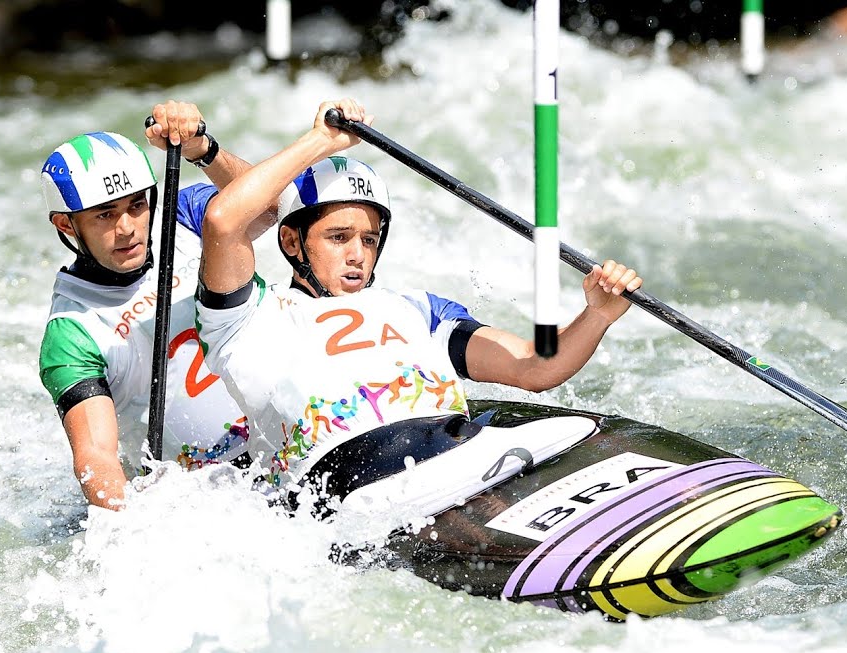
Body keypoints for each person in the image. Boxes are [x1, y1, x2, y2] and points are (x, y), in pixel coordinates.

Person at [194, 98, 643, 507]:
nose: (357, 254)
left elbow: (534, 367)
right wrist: (321, 143)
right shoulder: (247, 319)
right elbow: (224, 218)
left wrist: (597, 315)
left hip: (453, 454)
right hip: (342, 484)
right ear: (291, 241)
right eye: (338, 237)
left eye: (369, 239)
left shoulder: (418, 309)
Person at [37, 101, 261, 511]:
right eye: (105, 215)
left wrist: (202, 150)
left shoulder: (190, 216)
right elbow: (96, 457)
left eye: (136, 206)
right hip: (202, 497)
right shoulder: (72, 331)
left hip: (283, 443)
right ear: (67, 225)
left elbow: (271, 207)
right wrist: (131, 530)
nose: (127, 228)